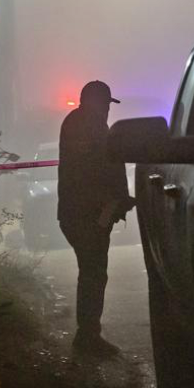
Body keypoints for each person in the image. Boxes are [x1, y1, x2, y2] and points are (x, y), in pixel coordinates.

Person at [57, 80, 136, 356]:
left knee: (91, 272)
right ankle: (88, 336)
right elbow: (100, 169)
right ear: (98, 102)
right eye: (105, 104)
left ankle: (88, 333)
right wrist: (114, 200)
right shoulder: (89, 126)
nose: (107, 110)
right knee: (93, 273)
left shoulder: (77, 123)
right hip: (86, 215)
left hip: (79, 213)